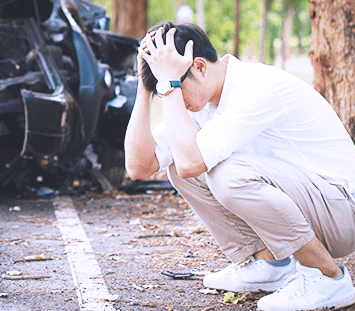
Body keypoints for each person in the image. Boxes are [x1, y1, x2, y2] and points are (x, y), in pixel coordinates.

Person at [124, 21, 355, 311]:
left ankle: (327, 278)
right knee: (183, 169)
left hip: (341, 211)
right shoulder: (203, 100)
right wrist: (145, 87)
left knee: (224, 173)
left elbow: (191, 162)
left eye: (174, 85)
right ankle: (268, 263)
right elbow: (140, 167)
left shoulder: (255, 87)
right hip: (312, 206)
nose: (172, 97)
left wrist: (169, 85)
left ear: (199, 66)